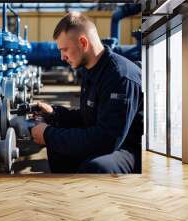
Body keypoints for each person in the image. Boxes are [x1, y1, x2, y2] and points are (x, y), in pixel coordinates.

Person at [30, 12, 143, 174]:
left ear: (83, 43)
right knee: (59, 150)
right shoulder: (90, 70)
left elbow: (107, 140)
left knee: (97, 167)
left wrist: (48, 135)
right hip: (114, 139)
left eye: (65, 49)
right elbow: (87, 117)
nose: (62, 57)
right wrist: (55, 114)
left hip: (132, 148)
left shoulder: (120, 76)